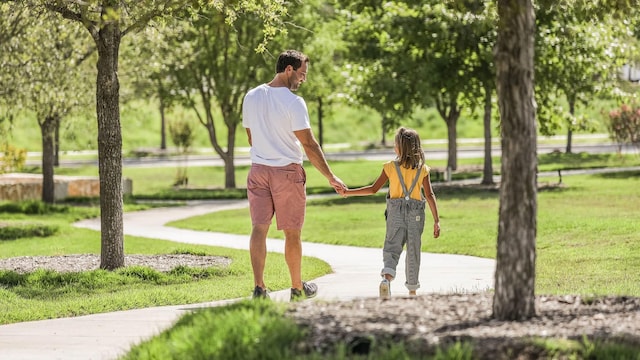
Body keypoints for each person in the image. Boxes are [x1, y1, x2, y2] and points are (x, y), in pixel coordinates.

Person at [242, 50, 346, 302]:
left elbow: (250, 136)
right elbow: (309, 144)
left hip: (257, 170)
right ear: (288, 69)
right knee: (292, 232)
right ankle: (297, 288)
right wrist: (331, 176)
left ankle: (259, 288)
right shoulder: (293, 102)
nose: (303, 80)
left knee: (259, 228)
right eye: (301, 74)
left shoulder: (251, 95)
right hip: (286, 172)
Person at [343, 127, 440, 298]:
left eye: (395, 143)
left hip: (395, 212)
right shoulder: (423, 169)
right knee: (413, 250)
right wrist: (437, 220)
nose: (394, 146)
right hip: (416, 214)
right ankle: (412, 290)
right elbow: (430, 195)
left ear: (400, 147)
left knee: (391, 248)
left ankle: (386, 279)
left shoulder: (390, 167)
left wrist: (348, 192)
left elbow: (373, 189)